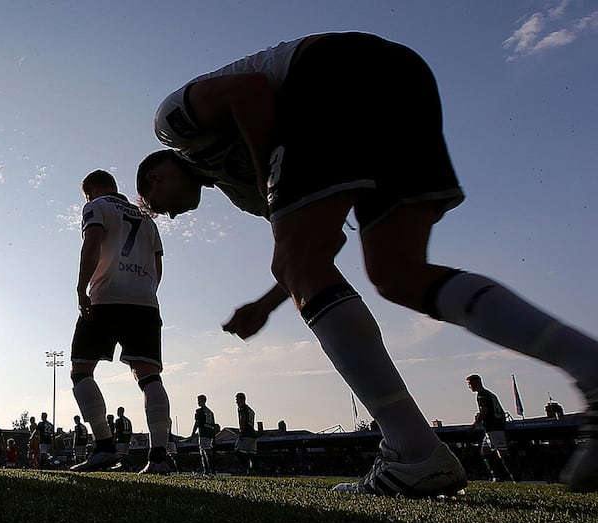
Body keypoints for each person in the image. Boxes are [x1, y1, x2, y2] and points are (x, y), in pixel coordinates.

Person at [136, 30, 598, 495]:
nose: (169, 214)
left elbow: (249, 90)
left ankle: (414, 449)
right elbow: (317, 247)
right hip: (399, 75)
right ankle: (589, 367)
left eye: (157, 203)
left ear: (155, 173)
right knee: (399, 273)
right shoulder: (242, 194)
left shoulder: (172, 124)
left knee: (320, 266)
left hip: (328, 72)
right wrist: (267, 302)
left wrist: (268, 182)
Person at [68, 169, 172, 475]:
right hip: (144, 301)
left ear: (93, 190)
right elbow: (157, 265)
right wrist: (145, 291)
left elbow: (93, 242)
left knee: (81, 369)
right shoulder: (147, 218)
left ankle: (104, 447)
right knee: (149, 376)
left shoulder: (97, 206)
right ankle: (159, 456)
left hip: (106, 297)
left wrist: (81, 287)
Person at [467, 374, 516, 482]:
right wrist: (504, 427)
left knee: (502, 452)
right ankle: (496, 476)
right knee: (485, 451)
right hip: (493, 427)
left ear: (476, 382)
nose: (469, 387)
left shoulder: (481, 395)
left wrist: (475, 424)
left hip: (493, 427)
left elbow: (484, 411)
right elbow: (502, 412)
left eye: (470, 384)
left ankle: (515, 478)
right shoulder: (491, 394)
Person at [234, 392, 259, 474]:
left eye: (237, 399)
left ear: (242, 399)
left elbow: (243, 418)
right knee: (251, 454)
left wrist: (241, 431)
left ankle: (247, 468)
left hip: (246, 433)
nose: (236, 402)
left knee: (238, 451)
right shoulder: (251, 410)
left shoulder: (242, 408)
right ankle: (254, 470)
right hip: (253, 433)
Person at [193, 395, 217, 474]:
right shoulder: (210, 412)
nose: (198, 402)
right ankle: (209, 469)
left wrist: (192, 434)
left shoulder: (199, 411)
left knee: (204, 452)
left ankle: (208, 470)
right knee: (206, 451)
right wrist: (213, 436)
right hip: (210, 433)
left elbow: (197, 423)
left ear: (202, 401)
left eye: (199, 400)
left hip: (203, 433)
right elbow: (214, 425)